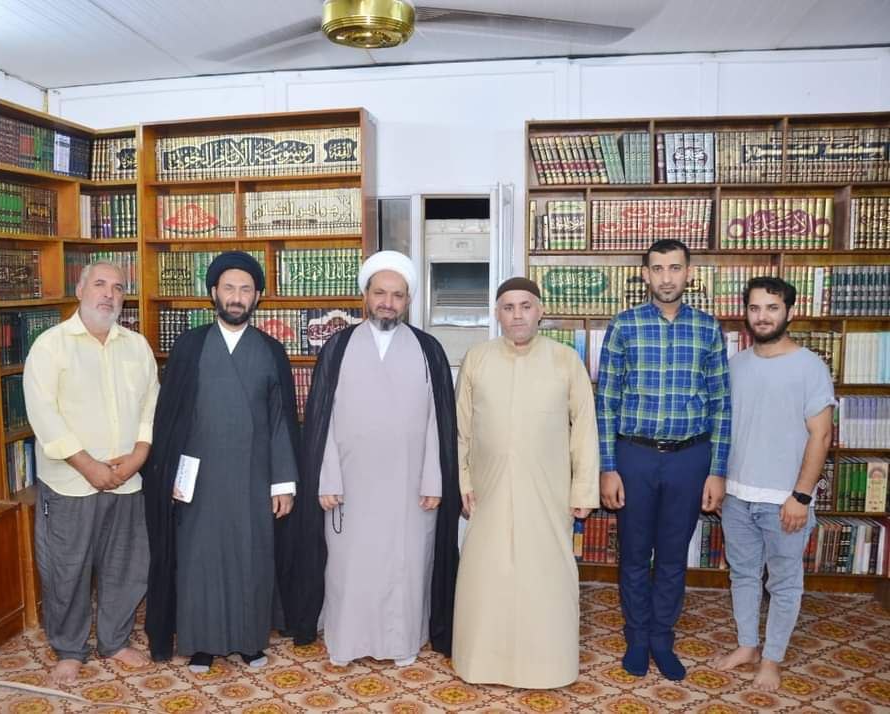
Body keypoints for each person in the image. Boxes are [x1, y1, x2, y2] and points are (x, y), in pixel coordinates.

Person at [292, 250, 460, 667]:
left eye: (397, 295)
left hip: (411, 488)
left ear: (408, 300)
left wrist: (434, 481)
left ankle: (401, 645)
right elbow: (322, 420)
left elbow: (439, 423)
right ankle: (347, 643)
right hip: (350, 486)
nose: (388, 302)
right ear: (365, 296)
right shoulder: (338, 346)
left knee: (406, 569)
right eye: (380, 293)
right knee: (349, 568)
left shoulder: (428, 349)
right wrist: (327, 478)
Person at [145, 251, 300, 672]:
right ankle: (202, 643)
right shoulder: (189, 346)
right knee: (200, 559)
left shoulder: (271, 350)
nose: (236, 296)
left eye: (245, 289)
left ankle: (250, 642)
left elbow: (281, 420)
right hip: (198, 477)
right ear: (213, 292)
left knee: (252, 557)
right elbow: (170, 418)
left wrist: (283, 483)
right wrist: (170, 475)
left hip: (254, 476)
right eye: (229, 288)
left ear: (257, 297)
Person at [452, 277, 599, 688]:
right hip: (488, 489)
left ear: (540, 311)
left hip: (548, 491)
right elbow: (461, 430)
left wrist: (584, 489)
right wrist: (463, 481)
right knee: (487, 576)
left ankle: (548, 666)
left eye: (525, 306)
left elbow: (584, 428)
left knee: (546, 578)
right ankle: (481, 663)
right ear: (497, 314)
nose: (517, 315)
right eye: (508, 307)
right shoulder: (477, 359)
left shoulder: (565, 360)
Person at [596, 239, 731, 681]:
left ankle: (661, 637)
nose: (667, 277)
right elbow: (606, 402)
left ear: (689, 273)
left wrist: (717, 471)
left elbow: (721, 405)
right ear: (646, 275)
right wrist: (608, 466)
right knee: (635, 554)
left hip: (689, 459)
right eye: (658, 268)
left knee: (673, 556)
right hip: (634, 456)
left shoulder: (708, 329)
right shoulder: (625, 326)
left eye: (675, 268)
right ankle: (637, 637)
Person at [23, 261, 158, 684]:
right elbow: (44, 416)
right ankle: (69, 649)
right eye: (100, 284)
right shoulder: (51, 346)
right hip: (71, 482)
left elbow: (151, 407)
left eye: (117, 288)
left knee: (127, 566)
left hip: (127, 479)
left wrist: (138, 456)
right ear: (80, 290)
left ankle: (115, 641)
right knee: (67, 570)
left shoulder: (136, 346)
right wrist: (88, 465)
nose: (108, 294)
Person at [712, 277, 833, 691]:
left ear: (789, 313)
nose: (762, 316)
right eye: (755, 308)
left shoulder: (810, 367)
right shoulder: (736, 365)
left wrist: (801, 495)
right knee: (743, 575)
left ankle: (772, 659)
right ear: (746, 313)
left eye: (772, 308)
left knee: (783, 582)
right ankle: (747, 646)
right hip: (737, 496)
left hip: (786, 501)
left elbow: (821, 435)